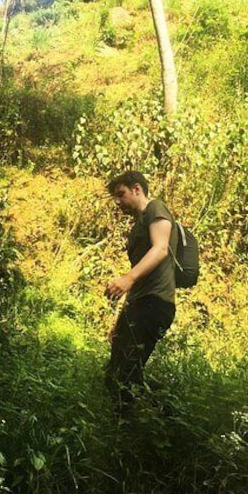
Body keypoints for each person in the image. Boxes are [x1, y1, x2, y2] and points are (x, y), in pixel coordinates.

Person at [104, 171, 177, 404]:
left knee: (126, 372)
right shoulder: (139, 224)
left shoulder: (155, 208)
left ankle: (156, 418)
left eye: (121, 194)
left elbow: (160, 249)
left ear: (137, 189)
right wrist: (121, 319)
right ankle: (134, 422)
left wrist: (127, 279)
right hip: (139, 303)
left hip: (155, 304)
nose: (118, 202)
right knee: (116, 372)